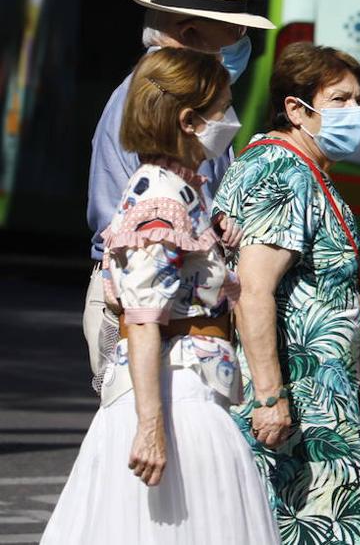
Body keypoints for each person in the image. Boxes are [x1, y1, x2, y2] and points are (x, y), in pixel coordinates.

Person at [43, 48, 280, 545]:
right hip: (176, 398)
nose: (231, 121)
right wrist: (151, 428)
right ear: (189, 121)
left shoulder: (178, 191)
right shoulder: (160, 200)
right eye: (223, 109)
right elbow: (144, 318)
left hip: (191, 390)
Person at [214, 43, 360, 545]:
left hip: (317, 401)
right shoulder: (284, 173)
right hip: (297, 407)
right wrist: (270, 397)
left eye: (358, 100)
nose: (353, 112)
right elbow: (253, 289)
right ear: (295, 108)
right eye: (339, 100)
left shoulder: (304, 171)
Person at [85, 0, 274, 392]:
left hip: (179, 300)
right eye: (234, 32)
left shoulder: (190, 99)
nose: (241, 41)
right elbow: (137, 223)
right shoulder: (152, 101)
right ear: (190, 33)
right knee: (149, 440)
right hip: (150, 303)